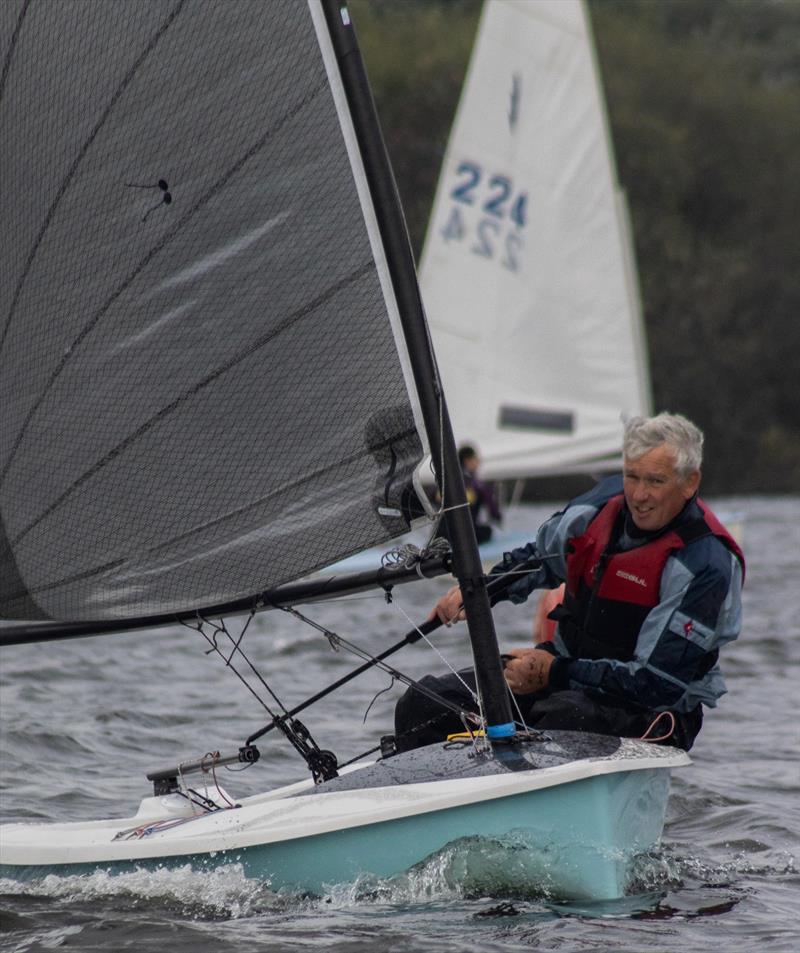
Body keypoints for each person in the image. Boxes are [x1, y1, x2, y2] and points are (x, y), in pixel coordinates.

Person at [394, 413, 744, 753]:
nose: (638, 495)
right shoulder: (595, 510)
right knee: (426, 704)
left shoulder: (705, 563)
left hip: (651, 710)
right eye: (631, 477)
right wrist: (481, 592)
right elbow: (538, 557)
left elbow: (655, 684)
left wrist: (554, 673)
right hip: (563, 674)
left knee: (560, 718)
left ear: (690, 482)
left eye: (655, 481)